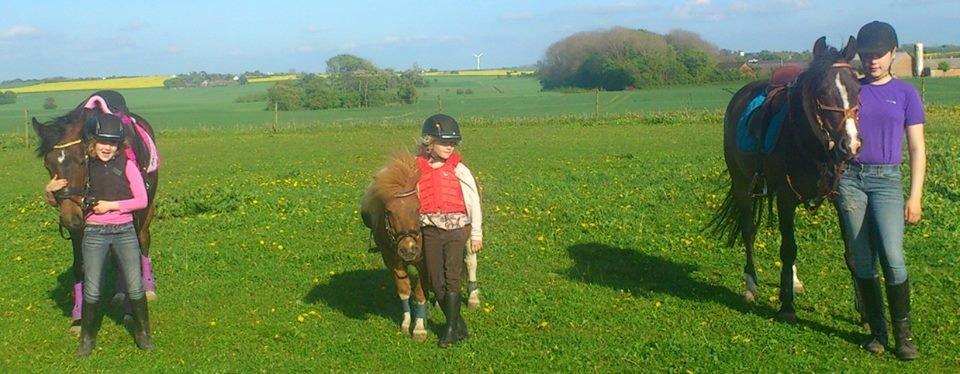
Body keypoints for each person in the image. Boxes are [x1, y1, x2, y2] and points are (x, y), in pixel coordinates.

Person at [836, 20, 925, 361]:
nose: (872, 60)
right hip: (851, 181)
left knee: (893, 256)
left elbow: (917, 148)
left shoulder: (906, 94)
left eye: (879, 54)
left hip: (888, 181)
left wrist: (914, 196)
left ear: (893, 53)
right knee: (861, 259)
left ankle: (903, 336)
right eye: (867, 54)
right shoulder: (852, 90)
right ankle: (877, 331)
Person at [75, 115, 154, 356]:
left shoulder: (127, 165)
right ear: (93, 142)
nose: (107, 147)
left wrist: (111, 205)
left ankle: (143, 333)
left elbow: (141, 200)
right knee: (93, 289)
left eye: (113, 143)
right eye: (102, 142)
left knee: (134, 285)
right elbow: (69, 195)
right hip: (95, 233)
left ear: (119, 145)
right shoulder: (84, 167)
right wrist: (50, 190)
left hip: (124, 232)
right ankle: (87, 338)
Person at [416, 114, 483, 348]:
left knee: (452, 278)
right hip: (430, 230)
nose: (449, 147)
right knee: (436, 282)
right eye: (444, 142)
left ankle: (451, 329)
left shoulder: (459, 169)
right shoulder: (418, 169)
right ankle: (459, 324)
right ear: (429, 143)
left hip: (457, 230)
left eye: (453, 143)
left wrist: (476, 233)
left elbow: (473, 200)